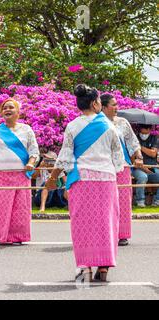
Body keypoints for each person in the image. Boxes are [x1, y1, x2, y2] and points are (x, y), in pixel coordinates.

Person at [46, 84, 124, 282]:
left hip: (82, 181)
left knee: (83, 225)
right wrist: (111, 170)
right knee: (107, 223)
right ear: (95, 103)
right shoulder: (109, 126)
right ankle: (104, 268)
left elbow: (64, 157)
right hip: (106, 180)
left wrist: (53, 178)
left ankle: (86, 268)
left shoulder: (73, 126)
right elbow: (118, 157)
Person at [0, 98, 40, 245]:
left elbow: (34, 151)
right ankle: (0, 233)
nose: (7, 110)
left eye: (11, 107)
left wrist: (30, 163)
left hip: (21, 174)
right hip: (2, 175)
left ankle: (17, 236)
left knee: (19, 207)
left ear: (18, 112)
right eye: (5, 108)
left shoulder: (26, 130)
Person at [101, 93, 143, 247]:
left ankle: (122, 234)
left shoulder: (123, 123)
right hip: (103, 167)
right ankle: (105, 233)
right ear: (103, 107)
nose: (117, 107)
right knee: (105, 201)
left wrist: (138, 157)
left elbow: (133, 142)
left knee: (124, 200)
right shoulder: (97, 124)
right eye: (113, 105)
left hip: (123, 167)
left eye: (117, 104)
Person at [132, 124, 159, 207]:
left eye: (145, 133)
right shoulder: (135, 138)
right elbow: (133, 158)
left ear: (149, 130)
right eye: (141, 133)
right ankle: (140, 201)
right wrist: (145, 169)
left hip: (152, 168)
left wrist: (140, 147)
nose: (143, 135)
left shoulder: (154, 138)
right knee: (143, 177)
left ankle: (157, 200)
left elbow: (153, 154)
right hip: (138, 169)